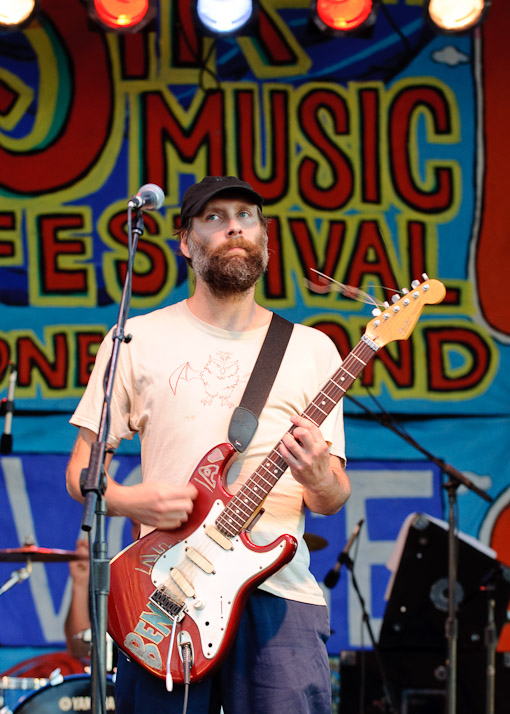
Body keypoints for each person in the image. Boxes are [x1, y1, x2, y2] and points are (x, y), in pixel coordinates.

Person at [66, 175, 351, 714]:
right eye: (214, 218)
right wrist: (130, 499)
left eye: (246, 216)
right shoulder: (134, 337)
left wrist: (317, 473)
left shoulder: (313, 349)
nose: (234, 228)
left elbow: (331, 499)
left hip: (280, 594)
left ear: (265, 236)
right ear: (185, 240)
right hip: (169, 592)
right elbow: (83, 470)